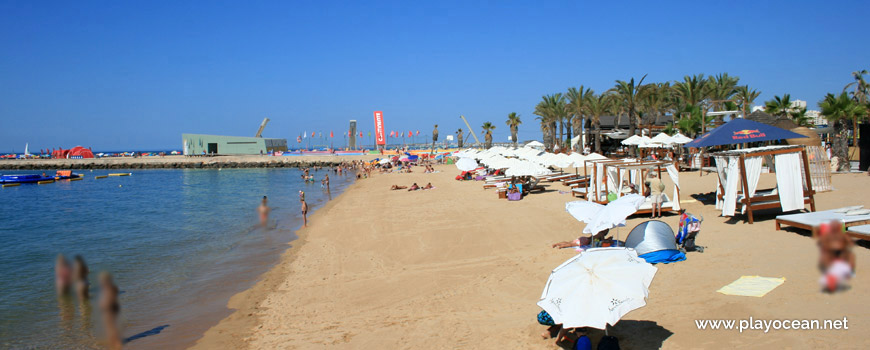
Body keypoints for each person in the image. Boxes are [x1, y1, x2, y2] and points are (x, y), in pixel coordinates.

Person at [818, 221, 856, 292]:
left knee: (851, 255)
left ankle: (850, 271)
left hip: (841, 251)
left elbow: (850, 243)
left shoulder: (841, 235)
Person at [98, 272, 121, 350]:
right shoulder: (114, 287)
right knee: (112, 325)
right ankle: (115, 341)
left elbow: (106, 301)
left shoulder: (106, 289)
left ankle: (114, 342)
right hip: (114, 308)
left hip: (109, 310)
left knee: (110, 326)